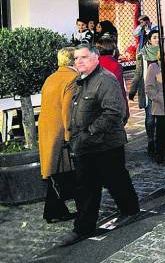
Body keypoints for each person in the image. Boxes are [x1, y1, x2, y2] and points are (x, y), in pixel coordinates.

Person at [55, 44, 140, 247]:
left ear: (95, 58)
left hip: (106, 144)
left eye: (84, 57)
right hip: (85, 145)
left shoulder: (105, 80)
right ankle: (83, 228)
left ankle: (130, 210)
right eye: (76, 58)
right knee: (85, 187)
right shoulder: (80, 81)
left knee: (115, 180)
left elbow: (113, 112)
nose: (79, 61)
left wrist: (90, 131)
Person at [38, 47, 79, 223]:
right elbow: (67, 109)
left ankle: (55, 211)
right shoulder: (72, 78)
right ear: (72, 60)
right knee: (65, 172)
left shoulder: (51, 77)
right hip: (61, 131)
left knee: (56, 171)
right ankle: (56, 211)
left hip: (48, 129)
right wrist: (69, 136)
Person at [129, 29, 160, 157]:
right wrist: (132, 90)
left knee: (161, 118)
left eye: (158, 37)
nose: (157, 40)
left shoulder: (164, 52)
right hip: (148, 88)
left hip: (161, 89)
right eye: (154, 37)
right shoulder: (142, 54)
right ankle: (150, 141)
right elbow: (138, 73)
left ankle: (160, 143)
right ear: (149, 39)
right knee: (150, 117)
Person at [145, 53, 165, 164]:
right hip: (160, 106)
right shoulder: (153, 67)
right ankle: (160, 155)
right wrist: (158, 98)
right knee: (161, 133)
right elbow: (149, 87)